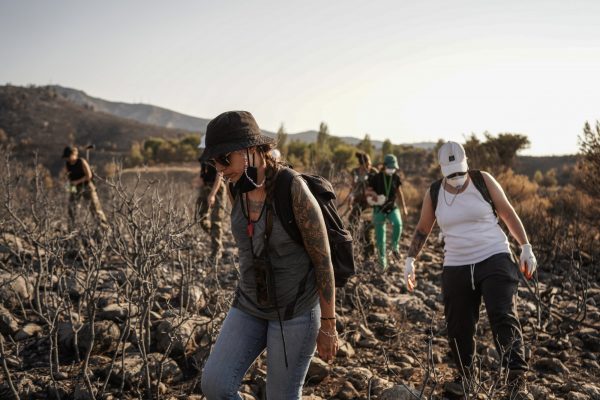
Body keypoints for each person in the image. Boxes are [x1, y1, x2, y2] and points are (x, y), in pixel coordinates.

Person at [199, 111, 338, 399]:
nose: (220, 169)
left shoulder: (292, 188)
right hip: (249, 304)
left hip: (295, 313)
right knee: (214, 384)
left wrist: (328, 325)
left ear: (251, 150)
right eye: (214, 162)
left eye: (224, 159)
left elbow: (323, 259)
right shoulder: (235, 186)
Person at [403, 141, 537, 399]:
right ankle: (466, 377)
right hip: (456, 263)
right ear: (442, 169)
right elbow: (422, 229)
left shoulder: (482, 181)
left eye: (459, 171)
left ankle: (515, 379)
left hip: (494, 255)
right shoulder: (434, 193)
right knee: (458, 324)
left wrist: (525, 246)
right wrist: (410, 259)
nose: (456, 178)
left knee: (502, 315)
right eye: (451, 173)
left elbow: (507, 213)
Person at [366, 154, 408, 270]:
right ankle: (382, 263)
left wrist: (404, 207)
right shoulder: (376, 178)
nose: (392, 169)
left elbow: (399, 193)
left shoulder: (396, 178)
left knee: (398, 224)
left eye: (393, 167)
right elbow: (368, 191)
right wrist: (374, 195)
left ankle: (395, 246)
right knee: (380, 238)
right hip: (379, 209)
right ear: (384, 166)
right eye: (390, 167)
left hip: (392, 208)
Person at [62, 146, 108, 230]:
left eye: (68, 156)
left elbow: (89, 176)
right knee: (72, 208)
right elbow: (67, 177)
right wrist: (70, 188)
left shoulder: (81, 161)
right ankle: (71, 231)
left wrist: (77, 182)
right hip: (75, 188)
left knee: (95, 209)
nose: (67, 159)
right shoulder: (67, 164)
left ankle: (104, 229)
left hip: (87, 186)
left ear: (74, 154)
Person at [196, 140, 227, 265]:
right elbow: (203, 174)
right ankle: (216, 238)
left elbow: (219, 176)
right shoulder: (203, 159)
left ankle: (216, 251)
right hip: (206, 187)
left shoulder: (217, 158)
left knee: (216, 221)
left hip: (217, 189)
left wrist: (213, 194)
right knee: (200, 217)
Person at [346, 152, 378, 257]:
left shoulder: (373, 172)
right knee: (351, 223)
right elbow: (352, 187)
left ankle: (369, 253)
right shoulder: (355, 172)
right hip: (358, 201)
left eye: (369, 163)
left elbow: (378, 188)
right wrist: (349, 201)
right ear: (361, 164)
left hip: (370, 203)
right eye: (367, 164)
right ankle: (349, 250)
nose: (369, 166)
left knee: (368, 227)